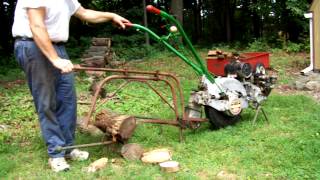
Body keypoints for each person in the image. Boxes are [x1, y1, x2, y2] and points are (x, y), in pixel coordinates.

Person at [12, 0, 129, 172]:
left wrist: (111, 15)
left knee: (67, 100)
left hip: (57, 46)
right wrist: (55, 59)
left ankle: (67, 148)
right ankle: (56, 153)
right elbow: (36, 25)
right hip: (33, 45)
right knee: (46, 102)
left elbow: (85, 13)